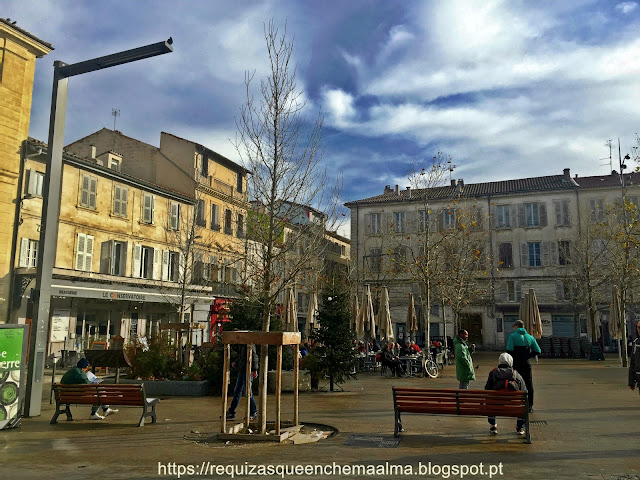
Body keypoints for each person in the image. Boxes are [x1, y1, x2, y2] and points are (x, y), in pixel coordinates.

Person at [484, 352, 528, 435]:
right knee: (523, 403)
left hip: (495, 406)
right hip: (513, 406)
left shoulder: (493, 373)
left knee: (489, 400)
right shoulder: (516, 374)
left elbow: (486, 390)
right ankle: (520, 427)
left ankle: (493, 425)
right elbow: (524, 392)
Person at [506, 320, 541, 412]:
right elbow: (538, 351)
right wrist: (527, 356)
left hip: (516, 364)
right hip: (526, 364)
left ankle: (515, 403)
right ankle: (530, 406)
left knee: (514, 383)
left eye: (514, 327)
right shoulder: (530, 337)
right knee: (529, 383)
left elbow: (509, 350)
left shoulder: (512, 336)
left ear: (516, 326)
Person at [225, 343, 259, 420]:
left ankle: (254, 412)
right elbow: (242, 357)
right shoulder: (242, 344)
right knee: (237, 391)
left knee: (248, 391)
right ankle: (231, 411)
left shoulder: (249, 343)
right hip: (242, 370)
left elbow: (254, 356)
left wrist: (254, 370)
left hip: (248, 370)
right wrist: (236, 362)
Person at [629, 321, 640, 396]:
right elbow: (633, 362)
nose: (639, 330)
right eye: (638, 328)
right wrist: (631, 382)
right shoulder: (636, 343)